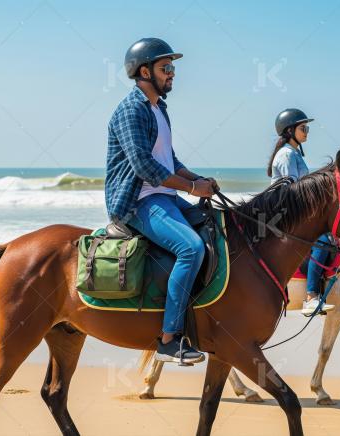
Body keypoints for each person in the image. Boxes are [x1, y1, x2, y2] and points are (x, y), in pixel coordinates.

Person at [105, 37, 217, 364]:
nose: (172, 74)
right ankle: (169, 339)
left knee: (218, 224)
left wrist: (199, 180)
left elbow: (170, 161)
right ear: (144, 71)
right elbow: (144, 166)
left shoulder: (158, 109)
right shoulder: (130, 110)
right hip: (137, 203)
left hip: (163, 197)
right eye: (165, 68)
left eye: (173, 69)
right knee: (191, 248)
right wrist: (192, 189)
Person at [268, 108, 336, 316]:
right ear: (290, 131)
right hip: (287, 214)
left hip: (294, 211)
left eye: (307, 128)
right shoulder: (287, 155)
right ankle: (311, 297)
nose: (307, 131)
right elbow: (293, 192)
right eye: (303, 128)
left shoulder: (293, 153)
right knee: (322, 241)